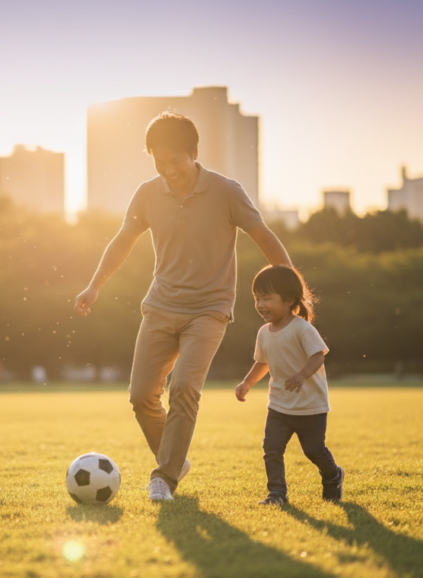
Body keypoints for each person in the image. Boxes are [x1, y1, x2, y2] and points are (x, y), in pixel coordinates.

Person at [75, 111, 292, 502]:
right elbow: (123, 240)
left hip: (209, 308)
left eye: (177, 161)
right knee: (141, 395)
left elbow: (264, 237)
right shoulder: (147, 194)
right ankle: (174, 459)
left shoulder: (227, 192)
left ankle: (165, 476)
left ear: (195, 152)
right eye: (161, 163)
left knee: (184, 388)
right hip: (160, 305)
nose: (169, 170)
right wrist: (94, 286)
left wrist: (294, 291)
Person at [234, 265, 344, 505]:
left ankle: (333, 476)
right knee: (271, 450)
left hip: (310, 406)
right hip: (279, 405)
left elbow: (319, 355)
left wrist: (302, 375)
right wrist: (247, 383)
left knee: (314, 451)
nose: (261, 304)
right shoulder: (264, 332)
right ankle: (277, 493)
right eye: (257, 298)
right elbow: (262, 363)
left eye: (267, 298)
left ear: (288, 299)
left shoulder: (302, 329)